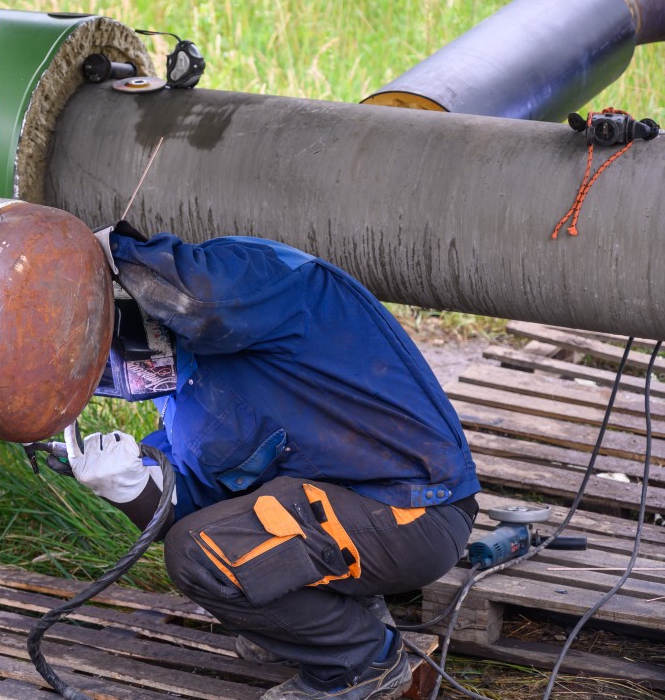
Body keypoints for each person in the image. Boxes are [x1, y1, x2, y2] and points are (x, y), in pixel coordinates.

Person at [68, 223, 480, 700]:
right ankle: (342, 617)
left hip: (415, 513)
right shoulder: (191, 404)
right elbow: (192, 512)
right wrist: (129, 487)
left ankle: (360, 662)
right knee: (208, 543)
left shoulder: (266, 278)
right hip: (358, 521)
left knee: (197, 555)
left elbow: (201, 301)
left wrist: (108, 250)